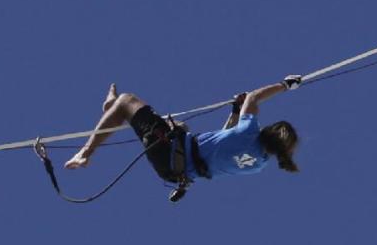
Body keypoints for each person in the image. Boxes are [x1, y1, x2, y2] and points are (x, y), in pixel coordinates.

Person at [63, 79, 301, 192]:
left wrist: (285, 84)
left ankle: (86, 152)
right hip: (175, 170)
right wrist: (235, 112)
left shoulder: (249, 132)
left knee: (127, 100)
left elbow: (253, 97)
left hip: (169, 151)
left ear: (269, 130)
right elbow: (223, 141)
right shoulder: (258, 164)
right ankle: (116, 113)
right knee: (180, 126)